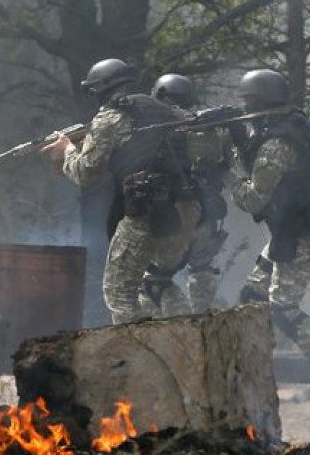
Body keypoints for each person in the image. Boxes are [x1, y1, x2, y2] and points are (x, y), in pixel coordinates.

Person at [42, 59, 201, 323]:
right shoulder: (163, 109)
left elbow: (84, 173)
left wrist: (66, 149)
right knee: (155, 283)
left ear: (102, 88)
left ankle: (135, 357)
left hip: (148, 211)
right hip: (185, 209)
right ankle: (182, 342)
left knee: (119, 295)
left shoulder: (110, 116)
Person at [223, 68, 310, 395]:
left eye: (247, 102)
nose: (245, 110)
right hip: (295, 225)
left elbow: (253, 199)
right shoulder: (293, 125)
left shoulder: (276, 142)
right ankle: (248, 369)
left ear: (258, 102)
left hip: (300, 231)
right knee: (251, 296)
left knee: (282, 307)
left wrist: (230, 167)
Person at [151, 74, 229, 313]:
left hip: (176, 215)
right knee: (202, 269)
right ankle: (202, 323)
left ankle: (181, 325)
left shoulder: (160, 132)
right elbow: (225, 166)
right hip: (207, 213)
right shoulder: (210, 130)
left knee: (155, 279)